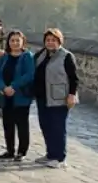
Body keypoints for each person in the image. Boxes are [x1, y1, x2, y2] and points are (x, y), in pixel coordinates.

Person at [33, 28, 79, 169]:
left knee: (57, 127)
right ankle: (50, 153)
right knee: (45, 125)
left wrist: (72, 95)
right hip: (42, 97)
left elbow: (74, 78)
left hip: (59, 98)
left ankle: (59, 157)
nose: (50, 43)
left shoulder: (66, 56)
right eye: (48, 40)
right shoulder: (41, 54)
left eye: (53, 40)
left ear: (59, 41)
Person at [0, 30, 35, 162]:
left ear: (23, 41)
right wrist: (3, 87)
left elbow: (29, 74)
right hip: (6, 96)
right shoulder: (4, 57)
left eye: (18, 40)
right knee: (8, 123)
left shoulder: (27, 56)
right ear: (8, 42)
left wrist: (13, 86)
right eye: (12, 40)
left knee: (22, 124)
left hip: (21, 96)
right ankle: (10, 150)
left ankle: (22, 151)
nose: (15, 43)